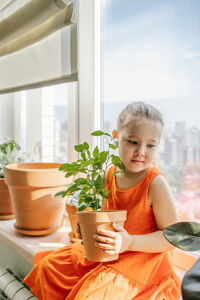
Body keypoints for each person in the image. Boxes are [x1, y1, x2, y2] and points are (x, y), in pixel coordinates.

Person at [24, 102, 181, 300]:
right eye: (133, 142)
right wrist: (87, 227)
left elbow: (171, 237)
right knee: (48, 267)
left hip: (143, 262)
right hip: (109, 251)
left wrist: (129, 241)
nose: (141, 151)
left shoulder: (155, 183)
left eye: (150, 145)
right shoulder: (109, 172)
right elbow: (104, 214)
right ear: (116, 137)